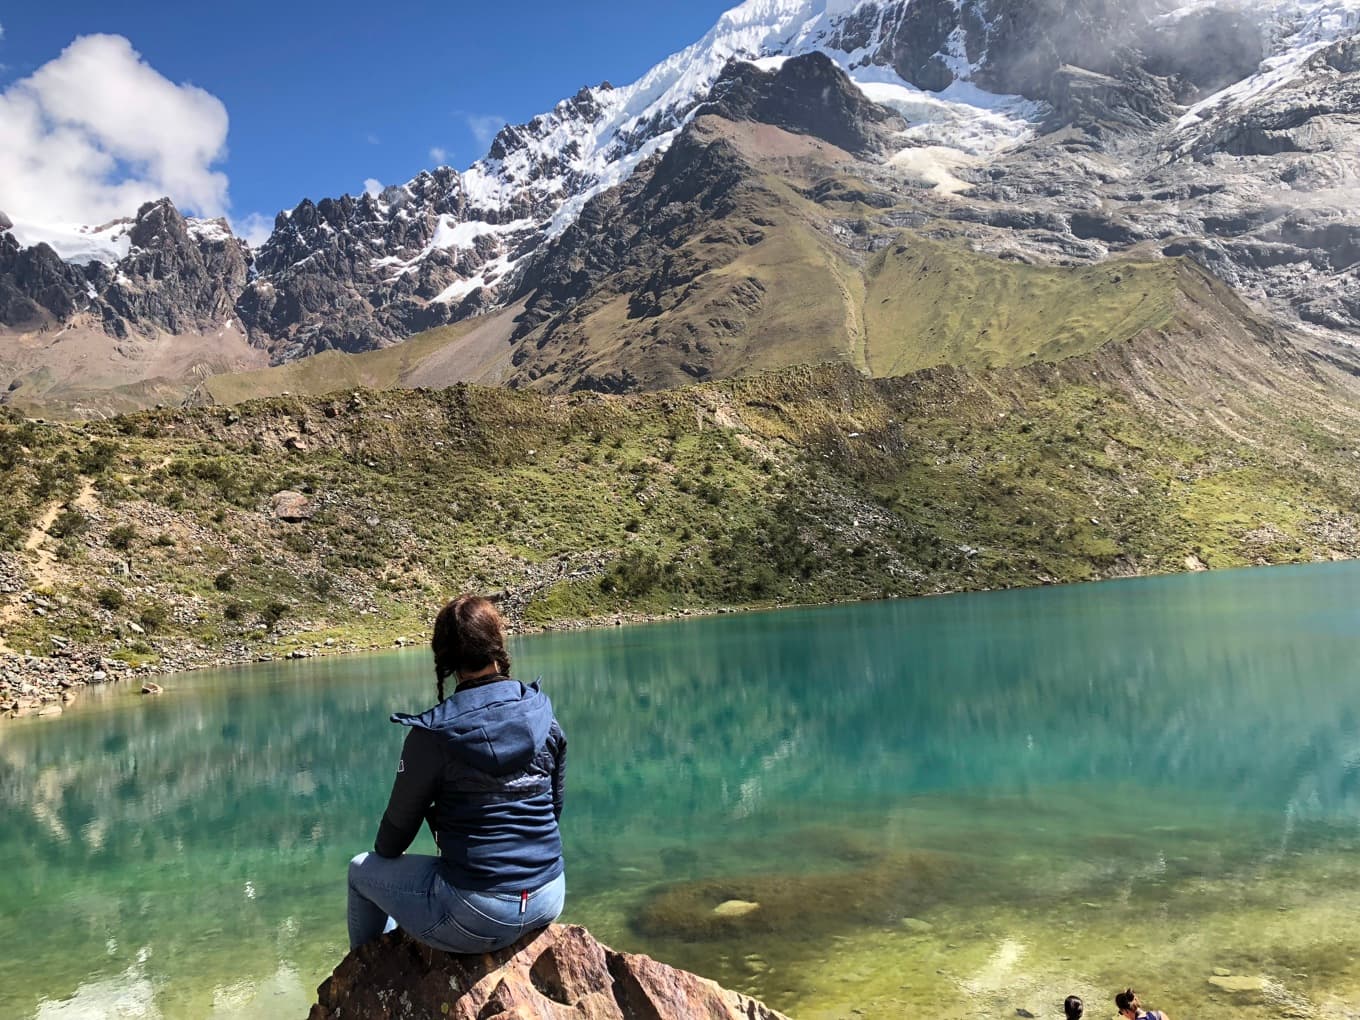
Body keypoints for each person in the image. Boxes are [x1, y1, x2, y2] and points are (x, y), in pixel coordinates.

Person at [346, 594, 567, 953]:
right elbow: (554, 810)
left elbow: (391, 842)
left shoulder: (433, 735)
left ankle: (368, 976)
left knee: (360, 871)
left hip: (478, 913)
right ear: (497, 645)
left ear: (445, 659)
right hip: (549, 895)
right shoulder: (540, 711)